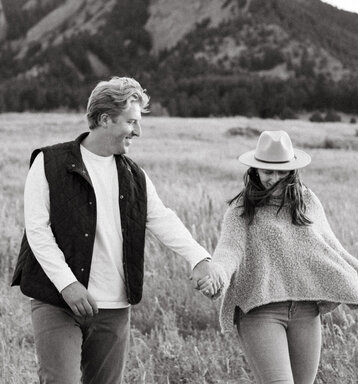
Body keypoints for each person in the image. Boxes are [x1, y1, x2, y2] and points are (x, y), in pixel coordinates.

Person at [11, 76, 222, 384]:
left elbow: (161, 218)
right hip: (57, 300)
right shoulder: (48, 162)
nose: (138, 131)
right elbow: (37, 231)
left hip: (114, 306)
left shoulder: (134, 174)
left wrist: (199, 258)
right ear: (105, 119)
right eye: (131, 121)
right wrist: (68, 285)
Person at [198, 130, 358, 384]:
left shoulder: (307, 201)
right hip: (260, 311)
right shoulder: (240, 210)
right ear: (255, 170)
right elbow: (229, 250)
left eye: (282, 172)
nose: (275, 179)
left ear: (292, 170)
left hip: (305, 311)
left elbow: (334, 249)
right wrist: (218, 275)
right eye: (268, 171)